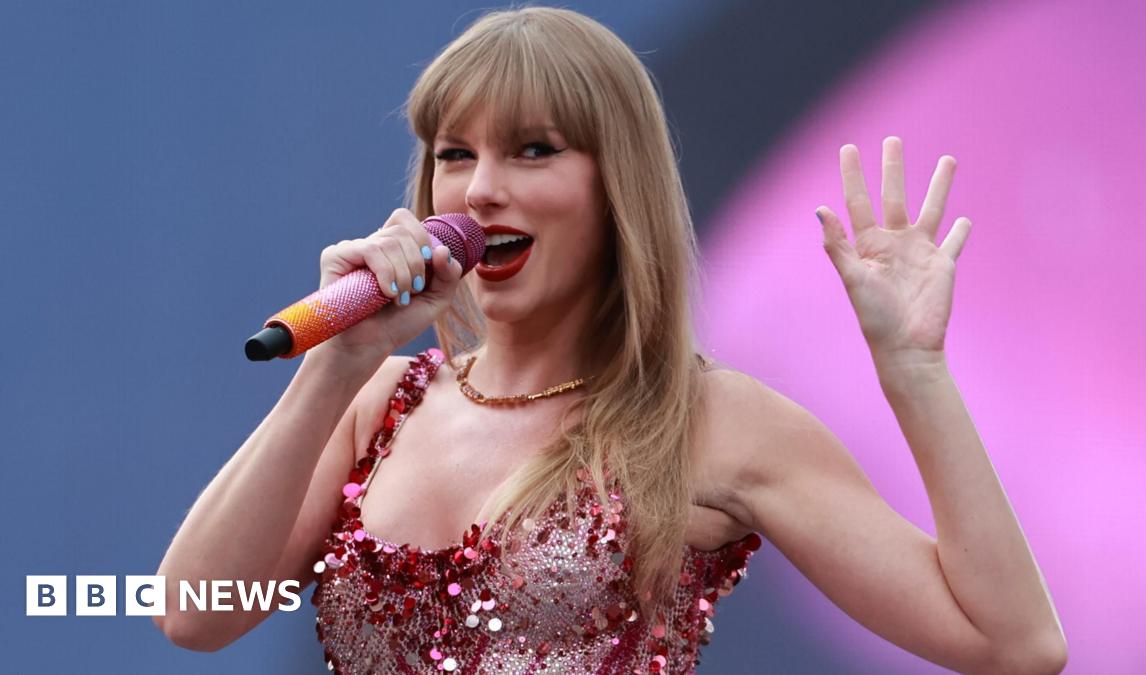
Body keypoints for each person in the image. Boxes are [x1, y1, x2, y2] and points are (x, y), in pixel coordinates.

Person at [153, 6, 1067, 674]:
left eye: (534, 150)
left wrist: (914, 369)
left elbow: (1013, 644)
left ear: (614, 186)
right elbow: (192, 615)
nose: (479, 191)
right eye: (455, 153)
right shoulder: (375, 403)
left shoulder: (714, 421)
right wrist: (335, 367)